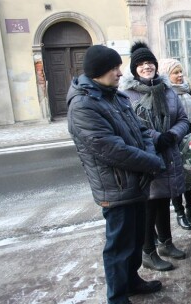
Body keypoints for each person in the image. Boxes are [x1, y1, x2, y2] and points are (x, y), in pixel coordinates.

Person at [67, 45, 165, 304]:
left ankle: (131, 281)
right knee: (118, 246)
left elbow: (142, 130)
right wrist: (152, 162)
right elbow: (112, 150)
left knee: (134, 241)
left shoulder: (115, 96)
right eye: (114, 68)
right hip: (116, 187)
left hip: (137, 182)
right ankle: (117, 297)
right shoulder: (83, 106)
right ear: (98, 72)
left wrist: (150, 156)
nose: (120, 73)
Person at [120, 42, 189, 271]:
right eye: (140, 64)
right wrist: (155, 137)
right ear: (134, 69)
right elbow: (131, 126)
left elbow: (182, 118)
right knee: (150, 204)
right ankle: (148, 251)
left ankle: (166, 243)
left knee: (163, 199)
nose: (146, 67)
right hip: (147, 155)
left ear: (156, 66)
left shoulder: (167, 90)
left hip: (168, 152)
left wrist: (172, 135)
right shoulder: (127, 95)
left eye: (149, 62)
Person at [158, 58, 191, 230]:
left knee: (190, 180)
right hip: (174, 142)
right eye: (175, 73)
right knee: (176, 181)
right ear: (166, 75)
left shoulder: (188, 92)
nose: (179, 75)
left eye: (180, 72)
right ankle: (180, 213)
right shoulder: (164, 94)